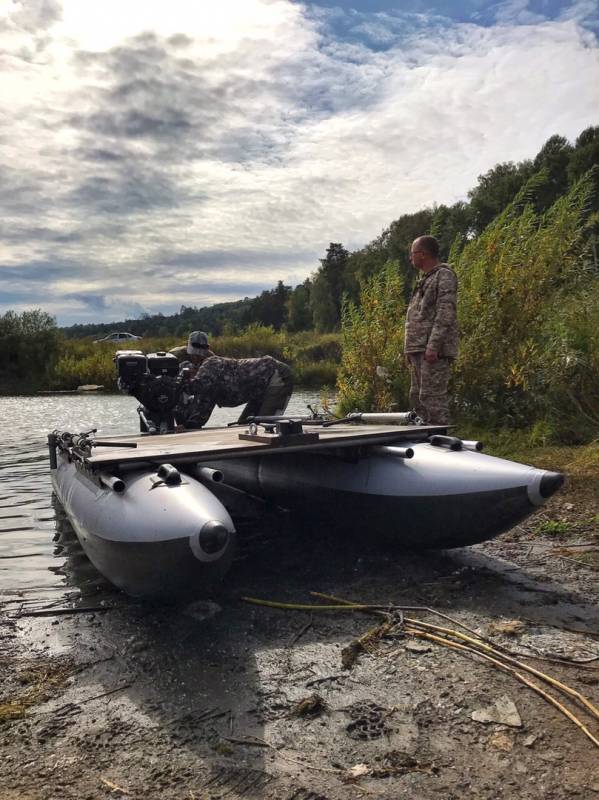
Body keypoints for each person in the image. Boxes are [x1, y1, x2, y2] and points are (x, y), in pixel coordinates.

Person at [404, 235, 458, 425]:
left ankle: (442, 441)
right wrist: (409, 349)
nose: (411, 258)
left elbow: (445, 313)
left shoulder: (444, 275)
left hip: (432, 351)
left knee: (433, 400)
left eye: (413, 253)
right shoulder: (425, 279)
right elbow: (417, 316)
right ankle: (425, 441)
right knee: (417, 399)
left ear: (423, 254)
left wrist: (433, 346)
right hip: (419, 350)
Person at [177, 355, 293, 429]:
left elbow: (196, 392)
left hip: (277, 376)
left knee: (264, 427)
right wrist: (185, 426)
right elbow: (200, 415)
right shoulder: (207, 385)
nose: (190, 378)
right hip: (259, 388)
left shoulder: (209, 370)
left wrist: (185, 427)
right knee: (243, 427)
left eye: (190, 375)